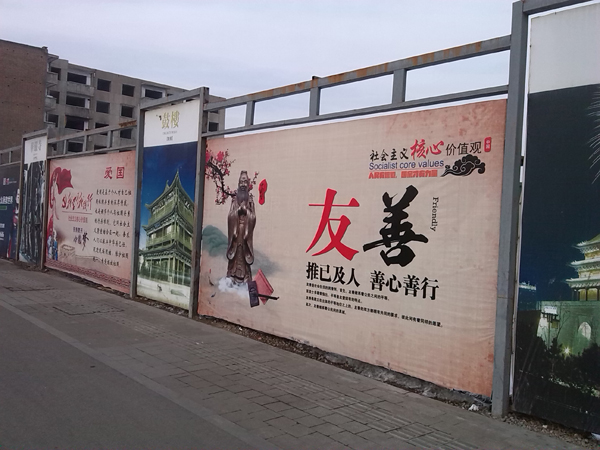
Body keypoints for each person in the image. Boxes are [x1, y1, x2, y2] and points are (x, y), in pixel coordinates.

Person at [226, 171, 256, 284]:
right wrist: (238, 210)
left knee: (244, 251)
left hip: (245, 231)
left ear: (248, 184)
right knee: (235, 250)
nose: (243, 184)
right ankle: (232, 274)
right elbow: (230, 216)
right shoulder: (234, 200)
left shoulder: (250, 200)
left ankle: (245, 276)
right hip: (236, 229)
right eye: (241, 182)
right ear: (238, 184)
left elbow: (253, 217)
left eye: (245, 182)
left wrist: (246, 211)